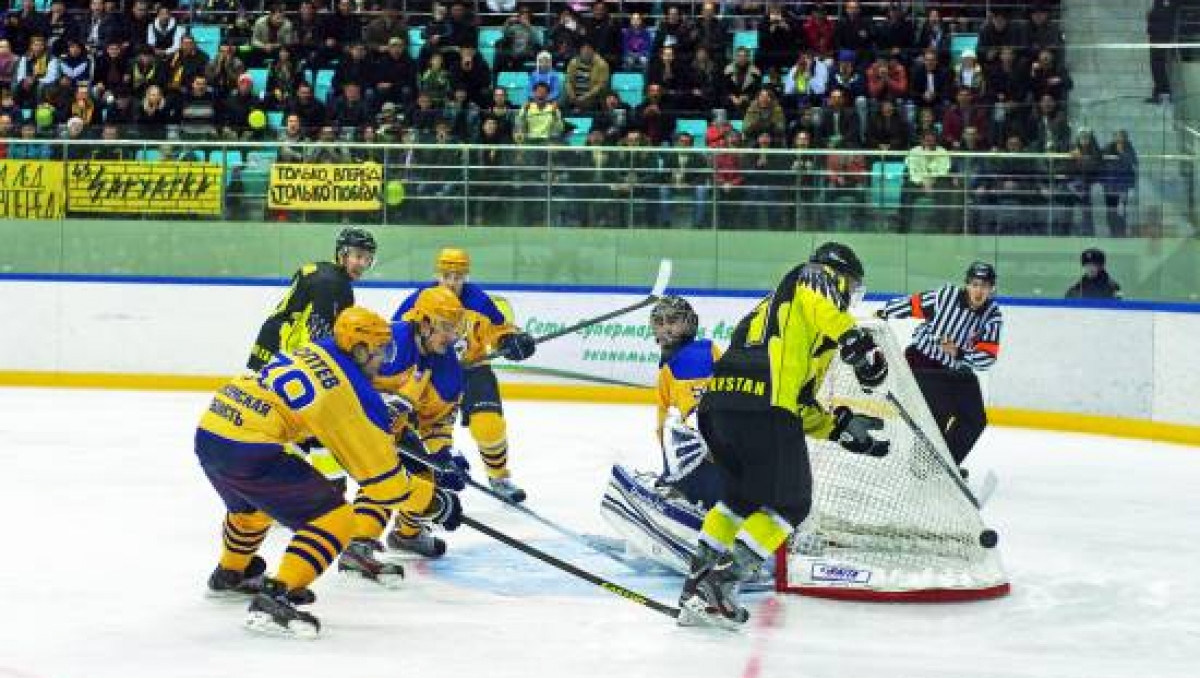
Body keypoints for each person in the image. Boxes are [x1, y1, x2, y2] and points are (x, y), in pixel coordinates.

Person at [197, 306, 462, 638]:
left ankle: (231, 573)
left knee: (250, 510)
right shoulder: (347, 393)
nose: (383, 359)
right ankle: (274, 597)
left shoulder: (321, 347)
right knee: (335, 519)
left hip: (213, 430)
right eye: (380, 350)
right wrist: (435, 503)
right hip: (251, 448)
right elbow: (385, 486)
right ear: (360, 348)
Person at [677, 243, 891, 628]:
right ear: (838, 276)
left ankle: (695, 588)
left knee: (739, 499)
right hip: (762, 405)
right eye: (852, 288)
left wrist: (839, 428)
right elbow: (819, 299)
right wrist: (857, 343)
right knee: (791, 504)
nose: (849, 299)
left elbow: (801, 403)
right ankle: (719, 586)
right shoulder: (812, 278)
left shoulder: (782, 316)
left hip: (719, 405)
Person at [392, 248, 537, 503]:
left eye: (458, 276)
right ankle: (433, 475)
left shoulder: (478, 301)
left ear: (466, 275)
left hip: (473, 368)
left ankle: (499, 477)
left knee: (489, 426)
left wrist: (511, 340)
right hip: (431, 373)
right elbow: (399, 334)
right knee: (420, 431)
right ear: (437, 274)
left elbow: (499, 329)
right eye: (446, 275)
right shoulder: (421, 299)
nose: (452, 282)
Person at [600, 296, 724, 574]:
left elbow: (698, 415)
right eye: (659, 322)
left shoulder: (692, 357)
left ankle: (695, 505)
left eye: (673, 321)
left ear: (689, 323)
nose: (665, 328)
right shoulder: (681, 357)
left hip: (708, 466)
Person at [360, 286, 472, 559]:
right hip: (345, 423)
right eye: (445, 326)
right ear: (423, 324)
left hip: (388, 430)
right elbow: (345, 377)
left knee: (425, 474)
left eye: (456, 328)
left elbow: (436, 423)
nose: (452, 336)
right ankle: (359, 546)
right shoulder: (388, 343)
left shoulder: (447, 368)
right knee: (388, 477)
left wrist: (442, 455)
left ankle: (406, 535)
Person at [878, 262, 1003, 471]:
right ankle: (921, 462)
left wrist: (961, 353)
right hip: (922, 360)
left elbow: (987, 358)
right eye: (975, 284)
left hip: (955, 368)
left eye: (985, 286)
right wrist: (884, 311)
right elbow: (913, 305)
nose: (979, 290)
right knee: (938, 413)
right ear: (967, 285)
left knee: (975, 419)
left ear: (992, 289)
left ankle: (945, 466)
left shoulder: (992, 315)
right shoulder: (946, 296)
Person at [247, 227, 376, 371]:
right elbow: (317, 335)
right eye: (358, 256)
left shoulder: (324, 271)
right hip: (282, 349)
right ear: (342, 254)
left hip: (271, 339)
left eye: (367, 259)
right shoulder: (332, 283)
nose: (363, 264)